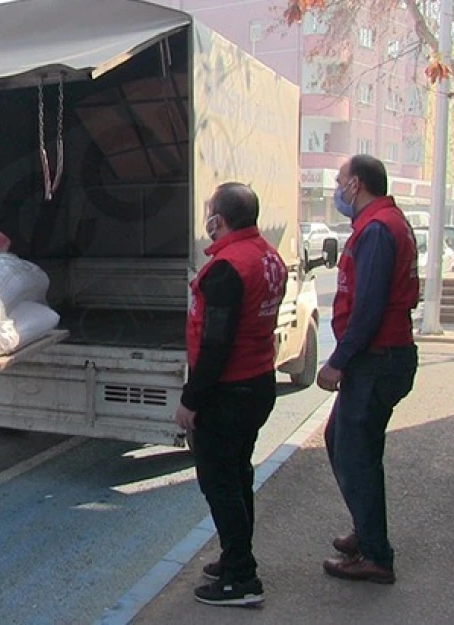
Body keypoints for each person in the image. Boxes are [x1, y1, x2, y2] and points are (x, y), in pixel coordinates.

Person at [174, 182, 287, 606]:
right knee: (238, 477)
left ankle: (242, 578)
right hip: (258, 381)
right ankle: (234, 557)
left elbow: (216, 343)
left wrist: (192, 400)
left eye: (209, 211)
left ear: (217, 219)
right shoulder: (268, 256)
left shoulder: (228, 268)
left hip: (229, 391)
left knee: (221, 483)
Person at [316, 154, 419, 584]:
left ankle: (376, 554)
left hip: (377, 359)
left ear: (356, 184)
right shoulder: (384, 223)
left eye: (340, 181)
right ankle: (366, 529)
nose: (337, 189)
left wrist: (338, 361)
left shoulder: (378, 230)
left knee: (356, 453)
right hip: (380, 357)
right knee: (342, 440)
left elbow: (369, 307)